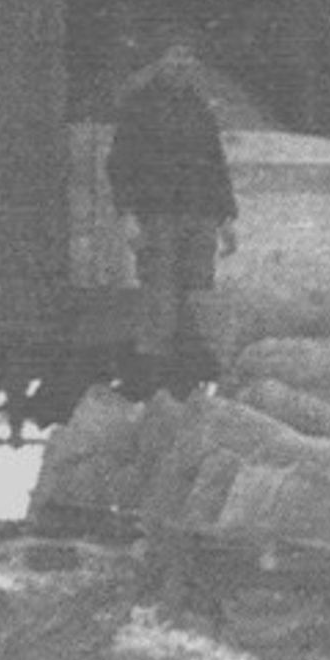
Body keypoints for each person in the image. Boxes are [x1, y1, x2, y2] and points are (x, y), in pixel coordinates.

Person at [106, 27, 239, 399]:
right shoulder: (139, 106)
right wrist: (128, 215)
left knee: (199, 301)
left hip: (200, 219)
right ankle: (155, 391)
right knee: (159, 303)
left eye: (186, 55)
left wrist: (226, 218)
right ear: (159, 61)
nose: (181, 62)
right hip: (158, 218)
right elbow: (119, 164)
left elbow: (215, 164)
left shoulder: (199, 108)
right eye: (173, 55)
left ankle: (189, 388)